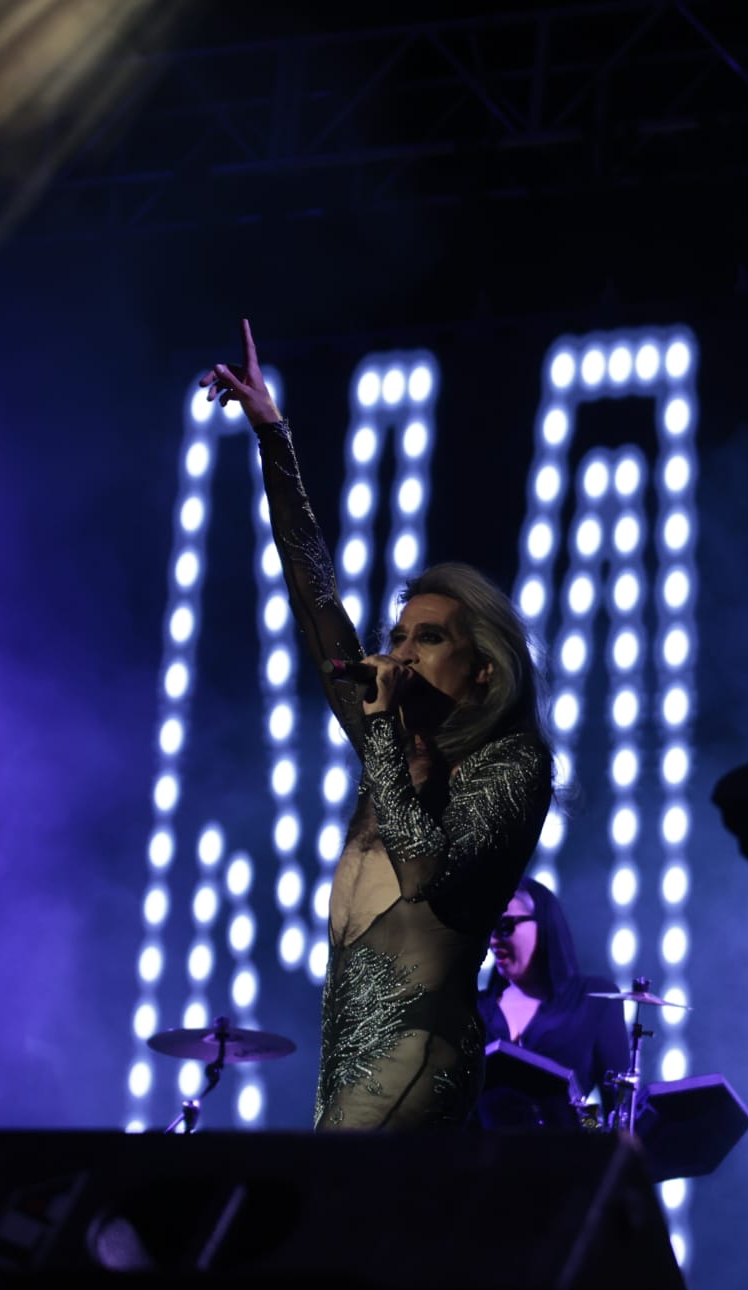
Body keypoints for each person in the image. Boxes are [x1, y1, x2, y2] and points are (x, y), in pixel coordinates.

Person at [206, 320, 555, 1131]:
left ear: (483, 669)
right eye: (397, 635)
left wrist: (396, 749)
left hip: (421, 1058)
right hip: (347, 1064)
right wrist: (274, 442)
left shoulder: (513, 763)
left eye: (426, 637)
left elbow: (428, 873)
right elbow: (315, 599)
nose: (396, 652)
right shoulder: (388, 741)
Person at [478, 878, 629, 1126]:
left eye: (505, 925)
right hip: (484, 1159)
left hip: (565, 1157)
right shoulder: (473, 1009)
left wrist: (589, 1130)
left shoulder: (594, 1000)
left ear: (545, 924)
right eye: (489, 928)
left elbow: (616, 1108)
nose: (494, 940)